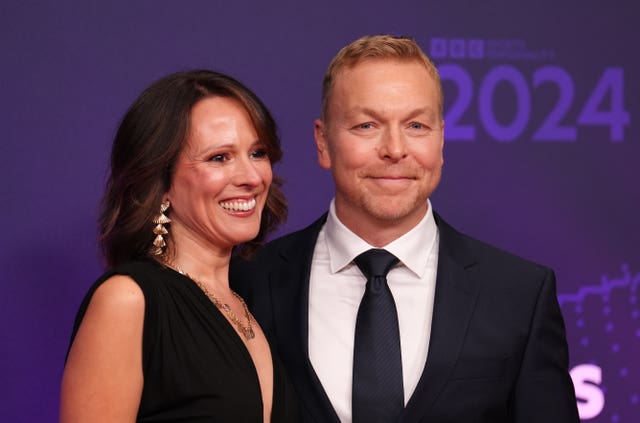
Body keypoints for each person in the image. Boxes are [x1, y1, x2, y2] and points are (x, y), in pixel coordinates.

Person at [230, 35, 580, 422]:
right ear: (323, 142)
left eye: (416, 125)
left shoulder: (519, 295)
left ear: (441, 140)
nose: (395, 149)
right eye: (366, 125)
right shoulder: (245, 283)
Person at [60, 70, 299, 422]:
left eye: (257, 152)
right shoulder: (128, 301)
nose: (251, 177)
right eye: (219, 157)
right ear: (161, 181)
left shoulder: (249, 304)